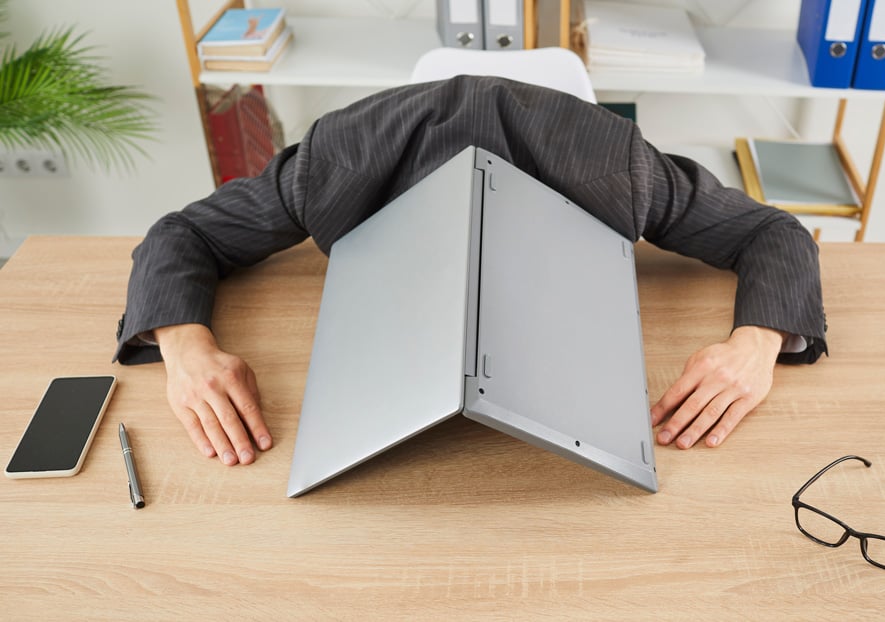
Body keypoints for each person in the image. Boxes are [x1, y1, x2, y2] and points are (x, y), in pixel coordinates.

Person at [114, 76, 827, 468]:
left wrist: (754, 345)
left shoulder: (615, 166)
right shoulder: (334, 166)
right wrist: (188, 349)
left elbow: (771, 231)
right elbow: (182, 233)